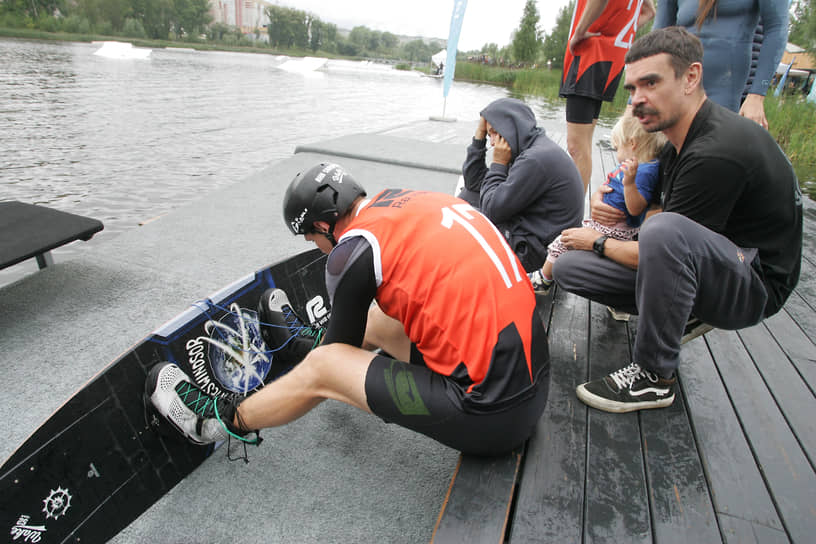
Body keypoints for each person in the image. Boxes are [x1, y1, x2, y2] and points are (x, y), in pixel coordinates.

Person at [147, 163, 550, 455]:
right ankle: (301, 349)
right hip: (530, 389)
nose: (319, 250)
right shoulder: (406, 200)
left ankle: (214, 423)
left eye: (312, 241)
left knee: (325, 368)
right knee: (377, 320)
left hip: (490, 417)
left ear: (322, 227)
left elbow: (336, 358)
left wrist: (327, 360)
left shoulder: (352, 250)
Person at [552, 27, 802, 413]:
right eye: (632, 89)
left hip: (755, 281)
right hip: (717, 257)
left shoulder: (715, 152)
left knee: (662, 231)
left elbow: (663, 239)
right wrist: (623, 210)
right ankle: (682, 310)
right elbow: (650, 216)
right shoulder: (676, 144)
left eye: (650, 83)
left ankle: (655, 376)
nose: (637, 100)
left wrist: (598, 241)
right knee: (569, 268)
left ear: (690, 78)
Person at [528, 110, 666, 295]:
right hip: (613, 225)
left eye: (618, 148)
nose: (617, 154)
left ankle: (543, 281)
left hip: (616, 228)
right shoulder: (641, 166)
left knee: (563, 240)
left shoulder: (643, 171)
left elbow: (636, 208)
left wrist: (629, 184)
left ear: (632, 144)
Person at [459, 97, 584, 272]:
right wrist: (479, 137)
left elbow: (492, 211)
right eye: (489, 135)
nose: (493, 143)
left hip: (536, 252)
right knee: (467, 196)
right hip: (534, 232)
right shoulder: (531, 146)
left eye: (495, 133)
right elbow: (473, 183)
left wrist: (498, 164)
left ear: (512, 128)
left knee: (462, 224)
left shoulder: (535, 159)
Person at [560, 0, 656, 192]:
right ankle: (576, 209)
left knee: (577, 146)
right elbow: (649, 11)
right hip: (611, 54)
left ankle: (571, 213)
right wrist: (619, 32)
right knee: (583, 143)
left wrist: (579, 31)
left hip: (589, 52)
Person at [654, 0, 789, 129]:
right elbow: (658, 35)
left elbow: (776, 28)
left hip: (727, 90)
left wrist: (757, 96)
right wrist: (636, 98)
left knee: (712, 143)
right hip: (678, 85)